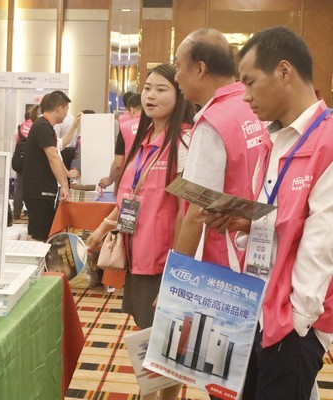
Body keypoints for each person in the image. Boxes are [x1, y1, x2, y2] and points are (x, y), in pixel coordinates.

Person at [203, 26, 333, 400]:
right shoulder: (271, 140)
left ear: (284, 72)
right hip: (255, 309)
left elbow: (322, 245)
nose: (245, 96)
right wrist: (247, 221)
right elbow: (279, 217)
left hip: (290, 325)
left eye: (250, 82)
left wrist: (298, 326)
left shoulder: (326, 141)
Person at [86, 64, 195, 400]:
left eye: (162, 88)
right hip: (138, 257)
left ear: (179, 95)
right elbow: (130, 197)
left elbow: (187, 213)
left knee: (165, 345)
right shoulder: (142, 138)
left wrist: (178, 273)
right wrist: (101, 229)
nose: (150, 95)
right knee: (152, 339)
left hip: (164, 262)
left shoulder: (184, 142)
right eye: (147, 88)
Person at [173, 28, 268, 267]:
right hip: (259, 250)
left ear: (199, 69)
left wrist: (174, 279)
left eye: (177, 66)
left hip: (225, 259)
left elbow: (196, 214)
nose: (176, 77)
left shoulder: (212, 124)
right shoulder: (254, 106)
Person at [22, 90, 72, 241]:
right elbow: (53, 157)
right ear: (59, 108)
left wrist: (66, 177)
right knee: (39, 236)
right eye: (66, 110)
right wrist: (64, 185)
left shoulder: (44, 126)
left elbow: (55, 156)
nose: (66, 114)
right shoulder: (43, 126)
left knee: (36, 233)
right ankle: (36, 264)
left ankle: (33, 263)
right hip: (39, 191)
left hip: (38, 190)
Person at [99, 93, 142, 189]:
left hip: (130, 181)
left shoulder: (125, 127)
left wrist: (110, 180)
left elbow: (118, 163)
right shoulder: (157, 126)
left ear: (132, 109)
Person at [12, 104, 40, 220]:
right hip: (33, 161)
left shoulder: (20, 127)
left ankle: (16, 213)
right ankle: (31, 213)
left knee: (19, 187)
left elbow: (16, 143)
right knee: (34, 187)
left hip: (21, 161)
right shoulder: (37, 126)